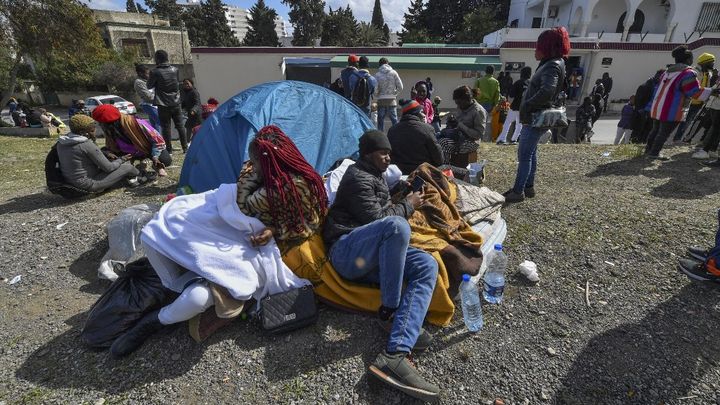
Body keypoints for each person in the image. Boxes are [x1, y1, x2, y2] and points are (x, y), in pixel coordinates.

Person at [112, 126, 327, 357]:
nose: (251, 165)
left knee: (198, 296)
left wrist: (272, 231)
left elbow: (308, 224)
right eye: (252, 161)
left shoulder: (297, 188)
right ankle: (180, 281)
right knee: (159, 229)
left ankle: (155, 321)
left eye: (256, 163)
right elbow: (231, 198)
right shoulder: (255, 170)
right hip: (223, 214)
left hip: (248, 238)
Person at [322, 130, 440, 401]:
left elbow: (381, 207)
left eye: (389, 153)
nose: (388, 158)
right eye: (383, 153)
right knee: (397, 226)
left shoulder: (373, 175)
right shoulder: (356, 177)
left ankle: (395, 352)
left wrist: (401, 192)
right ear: (367, 154)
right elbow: (376, 220)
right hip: (346, 251)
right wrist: (408, 206)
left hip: (370, 253)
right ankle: (389, 312)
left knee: (426, 263)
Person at [504, 27, 570, 203]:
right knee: (531, 153)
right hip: (536, 117)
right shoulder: (555, 63)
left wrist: (529, 103)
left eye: (538, 46)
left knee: (524, 155)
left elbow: (547, 90)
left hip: (534, 118)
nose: (535, 50)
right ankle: (528, 187)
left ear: (547, 48)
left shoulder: (552, 65)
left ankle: (518, 191)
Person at [645, 45, 718, 160]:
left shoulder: (667, 71)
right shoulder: (688, 73)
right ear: (688, 59)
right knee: (664, 133)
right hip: (671, 108)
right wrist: (712, 91)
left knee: (656, 129)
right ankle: (654, 153)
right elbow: (694, 92)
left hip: (658, 106)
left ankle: (648, 150)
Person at [56, 114, 143, 192]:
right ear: (83, 132)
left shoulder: (62, 142)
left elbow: (83, 155)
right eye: (92, 131)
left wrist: (105, 153)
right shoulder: (86, 144)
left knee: (110, 159)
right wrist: (122, 159)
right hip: (87, 184)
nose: (95, 133)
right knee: (128, 167)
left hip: (70, 181)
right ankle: (140, 175)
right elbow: (108, 168)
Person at [91, 104, 171, 176]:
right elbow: (111, 146)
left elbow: (158, 141)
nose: (100, 125)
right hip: (127, 153)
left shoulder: (137, 123)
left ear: (111, 123)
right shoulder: (110, 130)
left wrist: (155, 157)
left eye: (102, 123)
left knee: (166, 160)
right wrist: (109, 153)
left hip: (146, 150)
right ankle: (136, 166)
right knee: (105, 155)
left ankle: (151, 164)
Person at [387, 99, 444, 174]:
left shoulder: (392, 130)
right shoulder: (427, 129)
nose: (424, 115)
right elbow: (439, 159)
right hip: (422, 174)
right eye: (421, 112)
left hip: (398, 173)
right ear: (415, 113)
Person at [147, 49, 186, 154]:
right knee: (180, 125)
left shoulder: (155, 72)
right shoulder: (175, 69)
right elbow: (176, 83)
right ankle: (185, 147)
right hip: (176, 101)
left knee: (166, 127)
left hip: (163, 103)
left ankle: (169, 150)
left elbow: (149, 86)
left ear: (158, 59)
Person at [439, 85, 486, 167]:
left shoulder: (478, 111)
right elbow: (457, 122)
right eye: (457, 103)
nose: (458, 106)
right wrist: (452, 122)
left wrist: (461, 125)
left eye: (459, 103)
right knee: (437, 139)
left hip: (471, 141)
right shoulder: (461, 106)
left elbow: (479, 134)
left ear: (468, 100)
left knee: (444, 143)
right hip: (458, 136)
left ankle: (449, 169)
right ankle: (443, 167)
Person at [684, 53, 715, 149]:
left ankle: (685, 138)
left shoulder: (709, 74)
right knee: (684, 121)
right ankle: (678, 138)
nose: (713, 64)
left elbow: (709, 87)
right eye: (711, 62)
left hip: (701, 102)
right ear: (705, 63)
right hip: (690, 101)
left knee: (692, 121)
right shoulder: (695, 72)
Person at [497, 66, 532, 145]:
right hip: (525, 108)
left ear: (521, 74)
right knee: (519, 124)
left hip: (515, 106)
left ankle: (502, 139)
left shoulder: (518, 82)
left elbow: (511, 95)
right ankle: (514, 139)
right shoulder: (531, 84)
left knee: (507, 122)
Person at [630, 69, 665, 144]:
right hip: (643, 112)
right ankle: (633, 145)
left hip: (652, 113)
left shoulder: (659, 86)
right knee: (638, 131)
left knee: (648, 131)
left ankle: (642, 144)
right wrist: (641, 111)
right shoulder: (646, 85)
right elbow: (638, 100)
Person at [373, 57, 403, 131]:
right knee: (394, 120)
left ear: (379, 64)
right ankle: (396, 136)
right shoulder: (394, 73)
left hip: (381, 100)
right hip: (392, 100)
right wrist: (395, 93)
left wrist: (377, 95)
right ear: (388, 63)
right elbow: (401, 87)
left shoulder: (377, 75)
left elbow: (375, 89)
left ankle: (381, 138)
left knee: (380, 120)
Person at [134, 64, 161, 132]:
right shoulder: (139, 82)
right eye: (147, 74)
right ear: (140, 73)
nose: (149, 75)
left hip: (155, 105)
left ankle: (155, 141)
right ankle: (160, 141)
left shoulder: (148, 80)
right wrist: (160, 98)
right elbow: (148, 97)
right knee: (161, 123)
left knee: (155, 126)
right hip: (149, 105)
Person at [181, 78, 202, 146]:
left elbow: (197, 103)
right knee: (188, 127)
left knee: (197, 130)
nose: (186, 85)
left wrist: (194, 110)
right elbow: (184, 103)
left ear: (191, 84)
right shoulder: (187, 93)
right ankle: (188, 142)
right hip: (190, 115)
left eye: (187, 83)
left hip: (196, 115)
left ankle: (195, 142)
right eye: (184, 84)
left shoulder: (194, 92)